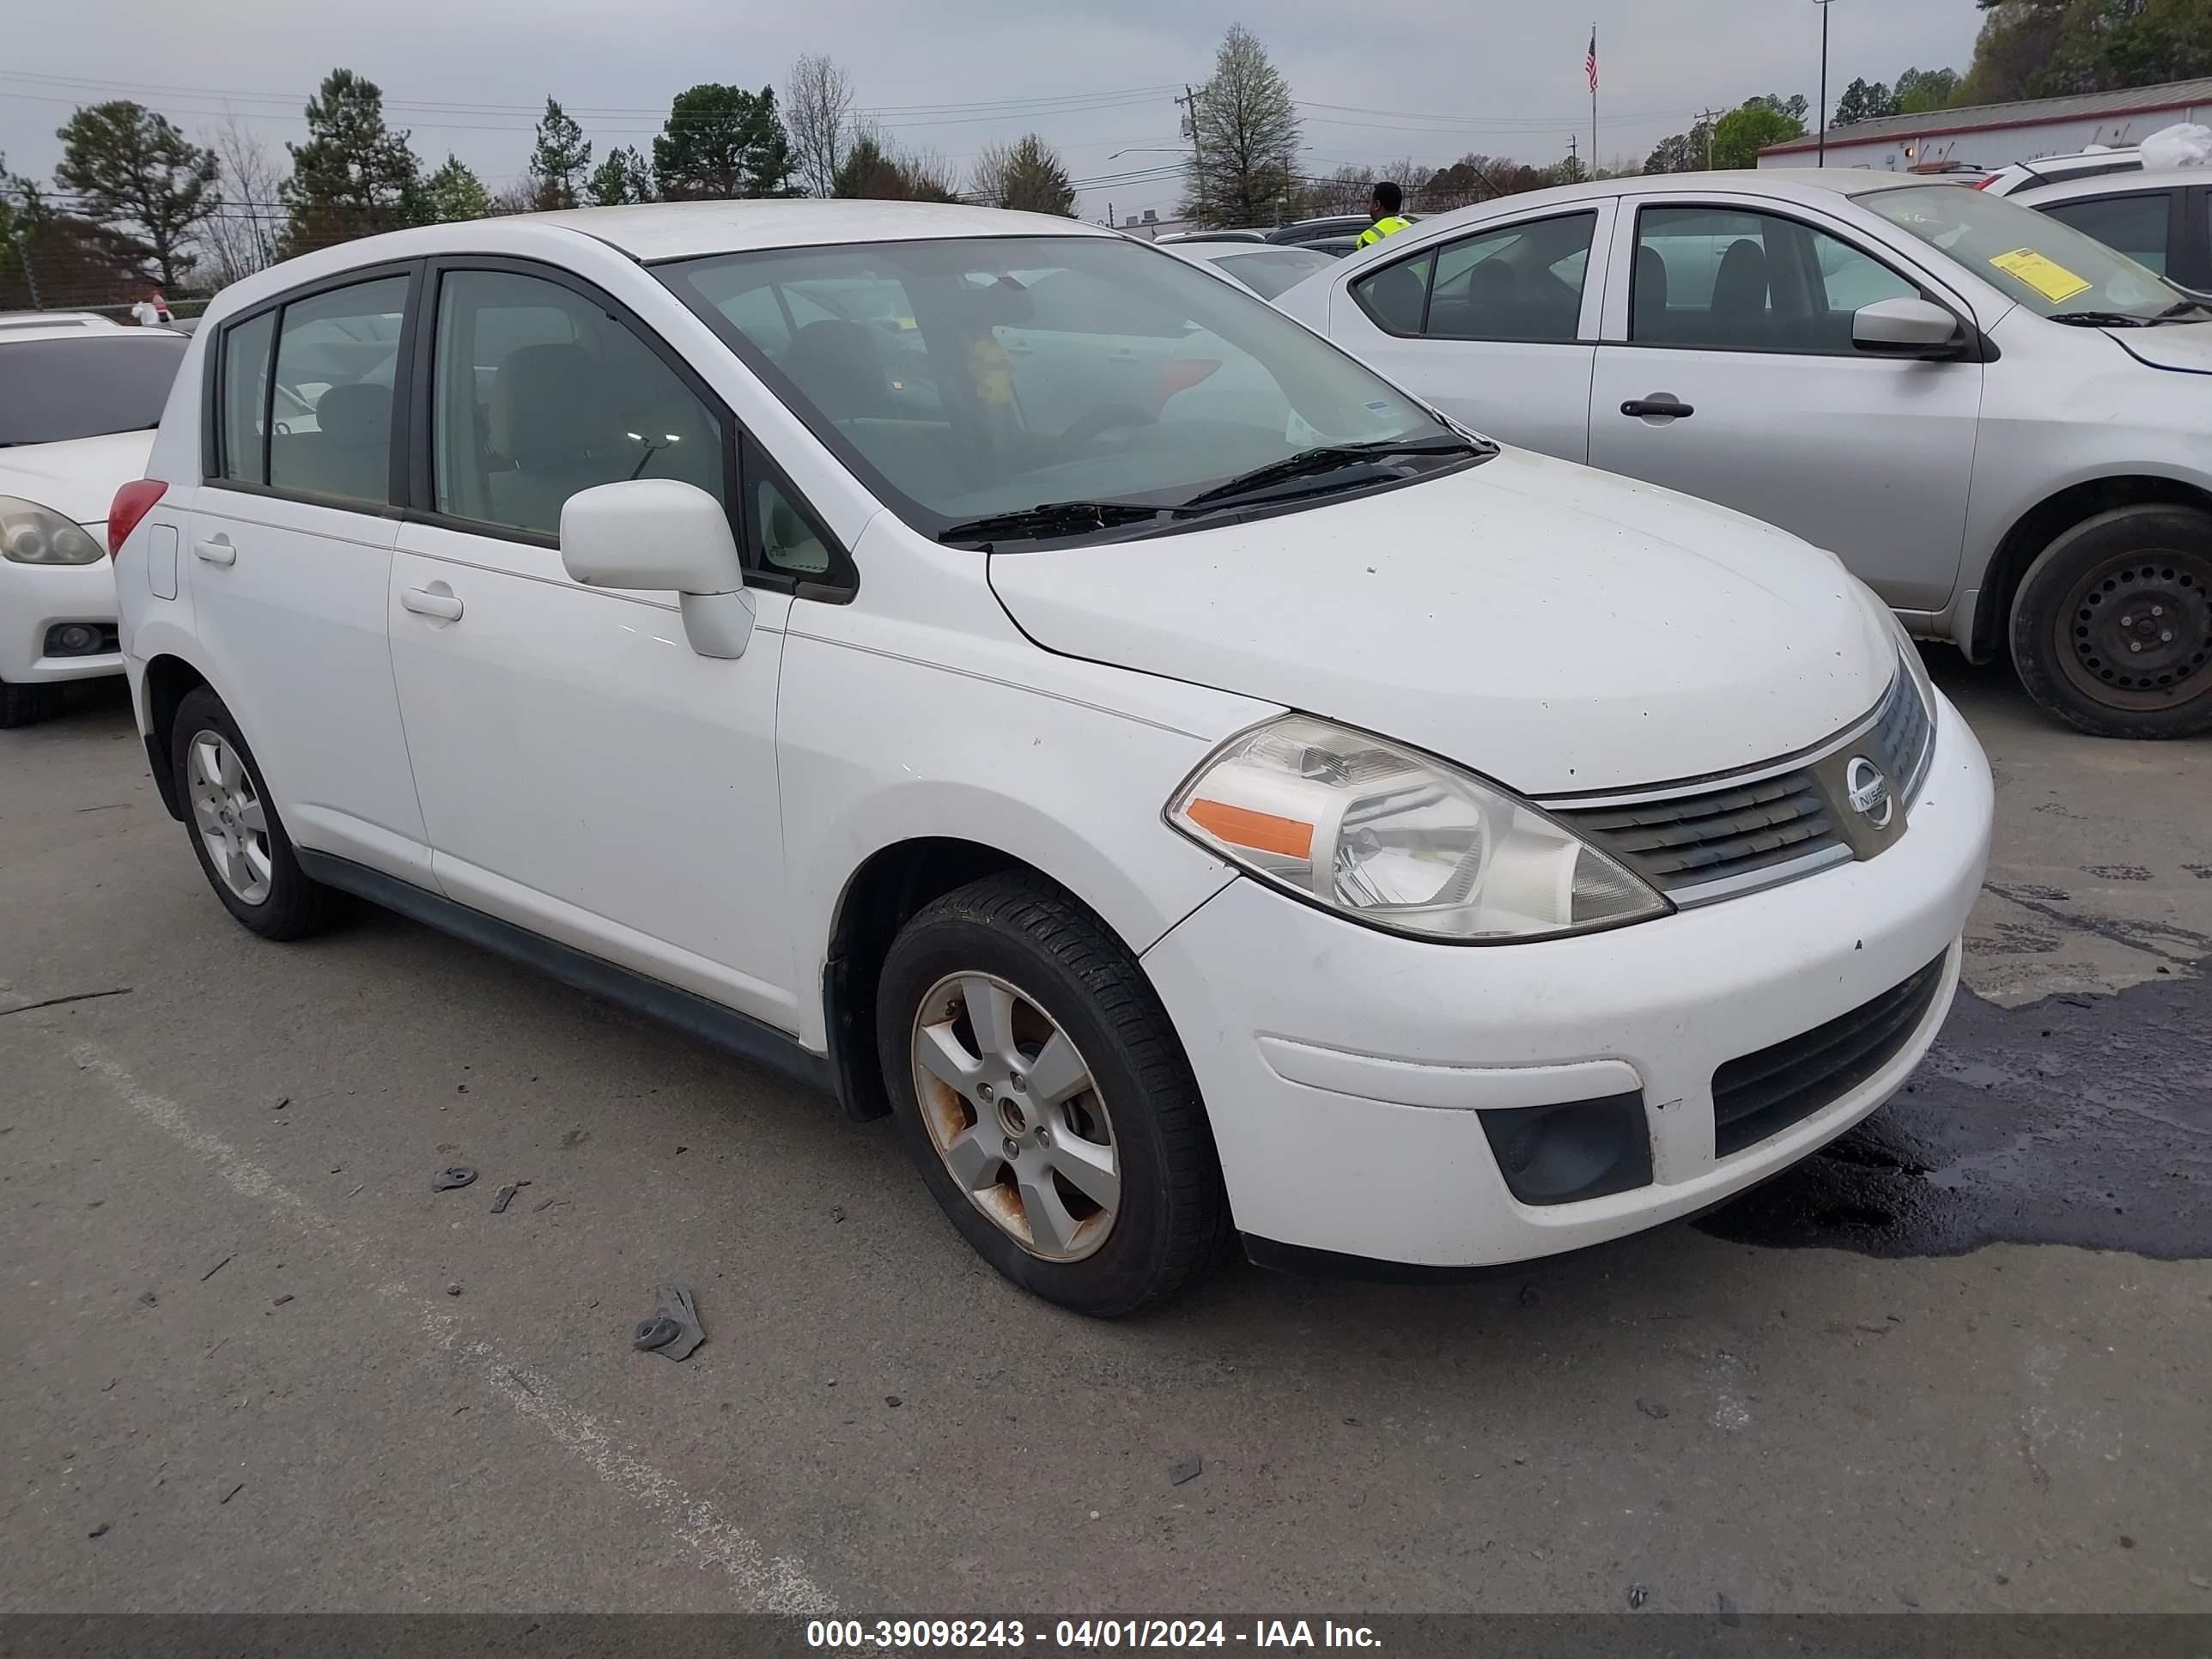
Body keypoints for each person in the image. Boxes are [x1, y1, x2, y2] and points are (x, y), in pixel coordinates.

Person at [1357, 182, 1413, 249]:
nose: (1368, 207)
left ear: (1377, 205)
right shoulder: (1412, 228)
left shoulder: (1369, 237)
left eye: (1369, 203)